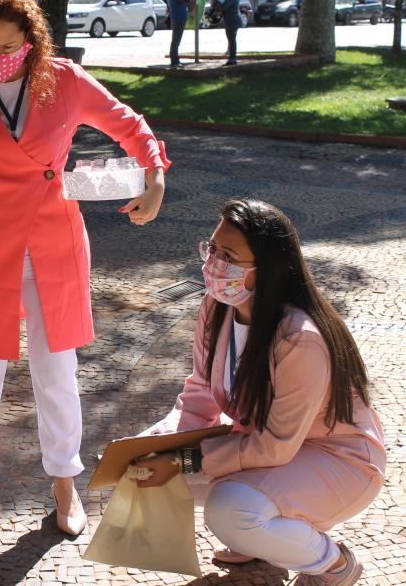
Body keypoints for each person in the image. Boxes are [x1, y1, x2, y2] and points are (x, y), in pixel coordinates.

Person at [0, 0, 170, 537]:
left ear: (30, 38)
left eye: (8, 46)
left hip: (53, 243)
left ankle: (64, 483)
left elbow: (128, 122)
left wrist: (155, 173)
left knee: (57, 373)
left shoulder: (63, 79)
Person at [132, 199, 386, 585]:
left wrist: (182, 459)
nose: (213, 263)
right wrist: (157, 443)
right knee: (150, 468)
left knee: (231, 509)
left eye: (229, 255)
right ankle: (264, 540)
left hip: (338, 459)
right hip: (269, 447)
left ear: (266, 268)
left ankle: (334, 565)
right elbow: (200, 390)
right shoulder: (216, 307)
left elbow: (274, 448)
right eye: (212, 249)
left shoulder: (299, 338)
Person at [220, 0, 242, 65]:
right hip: (234, 20)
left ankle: (232, 59)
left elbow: (224, 6)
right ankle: (232, 58)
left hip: (232, 20)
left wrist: (217, 1)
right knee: (232, 40)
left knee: (232, 40)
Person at [167, 0, 189, 67]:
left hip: (178, 18)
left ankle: (175, 60)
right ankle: (175, 61)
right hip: (179, 18)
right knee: (176, 41)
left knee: (176, 41)